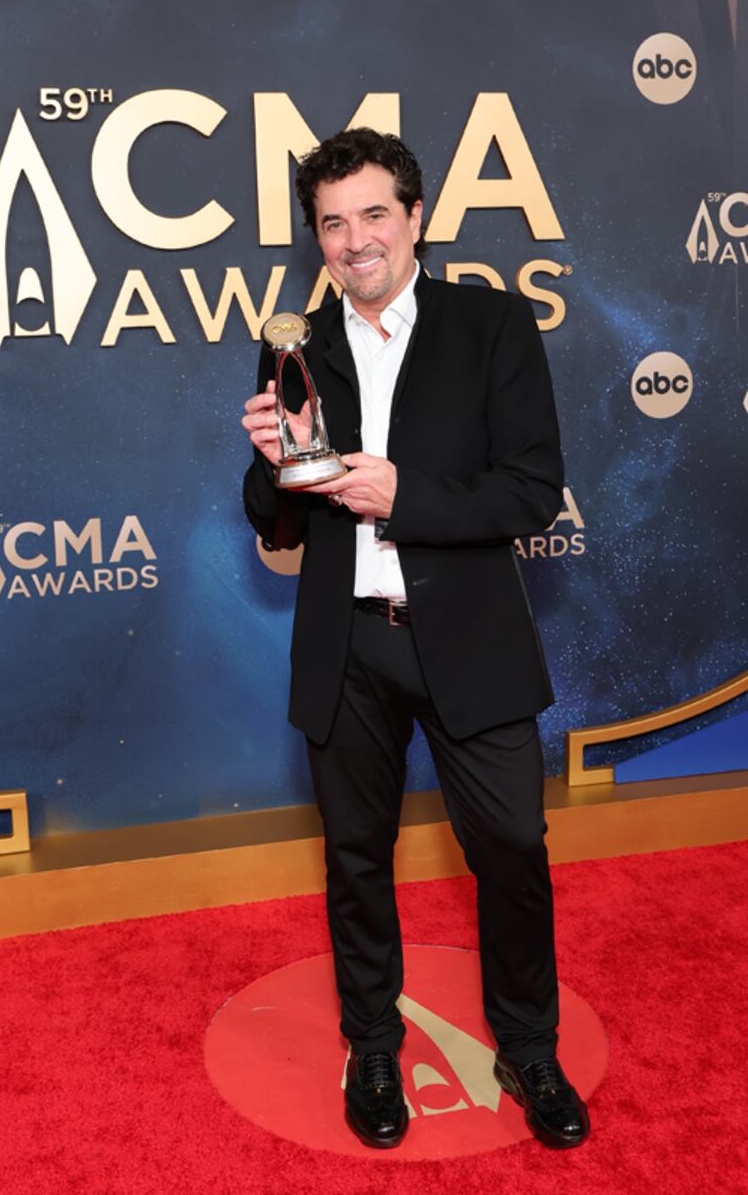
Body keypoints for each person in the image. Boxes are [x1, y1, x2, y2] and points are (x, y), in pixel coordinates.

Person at [241, 128, 589, 1151]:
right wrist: (269, 464)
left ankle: (528, 1047)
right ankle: (372, 1046)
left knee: (512, 851)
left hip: (470, 639)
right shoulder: (295, 343)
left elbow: (530, 491)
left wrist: (406, 496)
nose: (355, 240)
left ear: (415, 217)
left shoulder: (492, 325)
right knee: (356, 860)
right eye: (331, 222)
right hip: (347, 647)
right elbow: (277, 522)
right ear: (315, 237)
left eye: (373, 214)